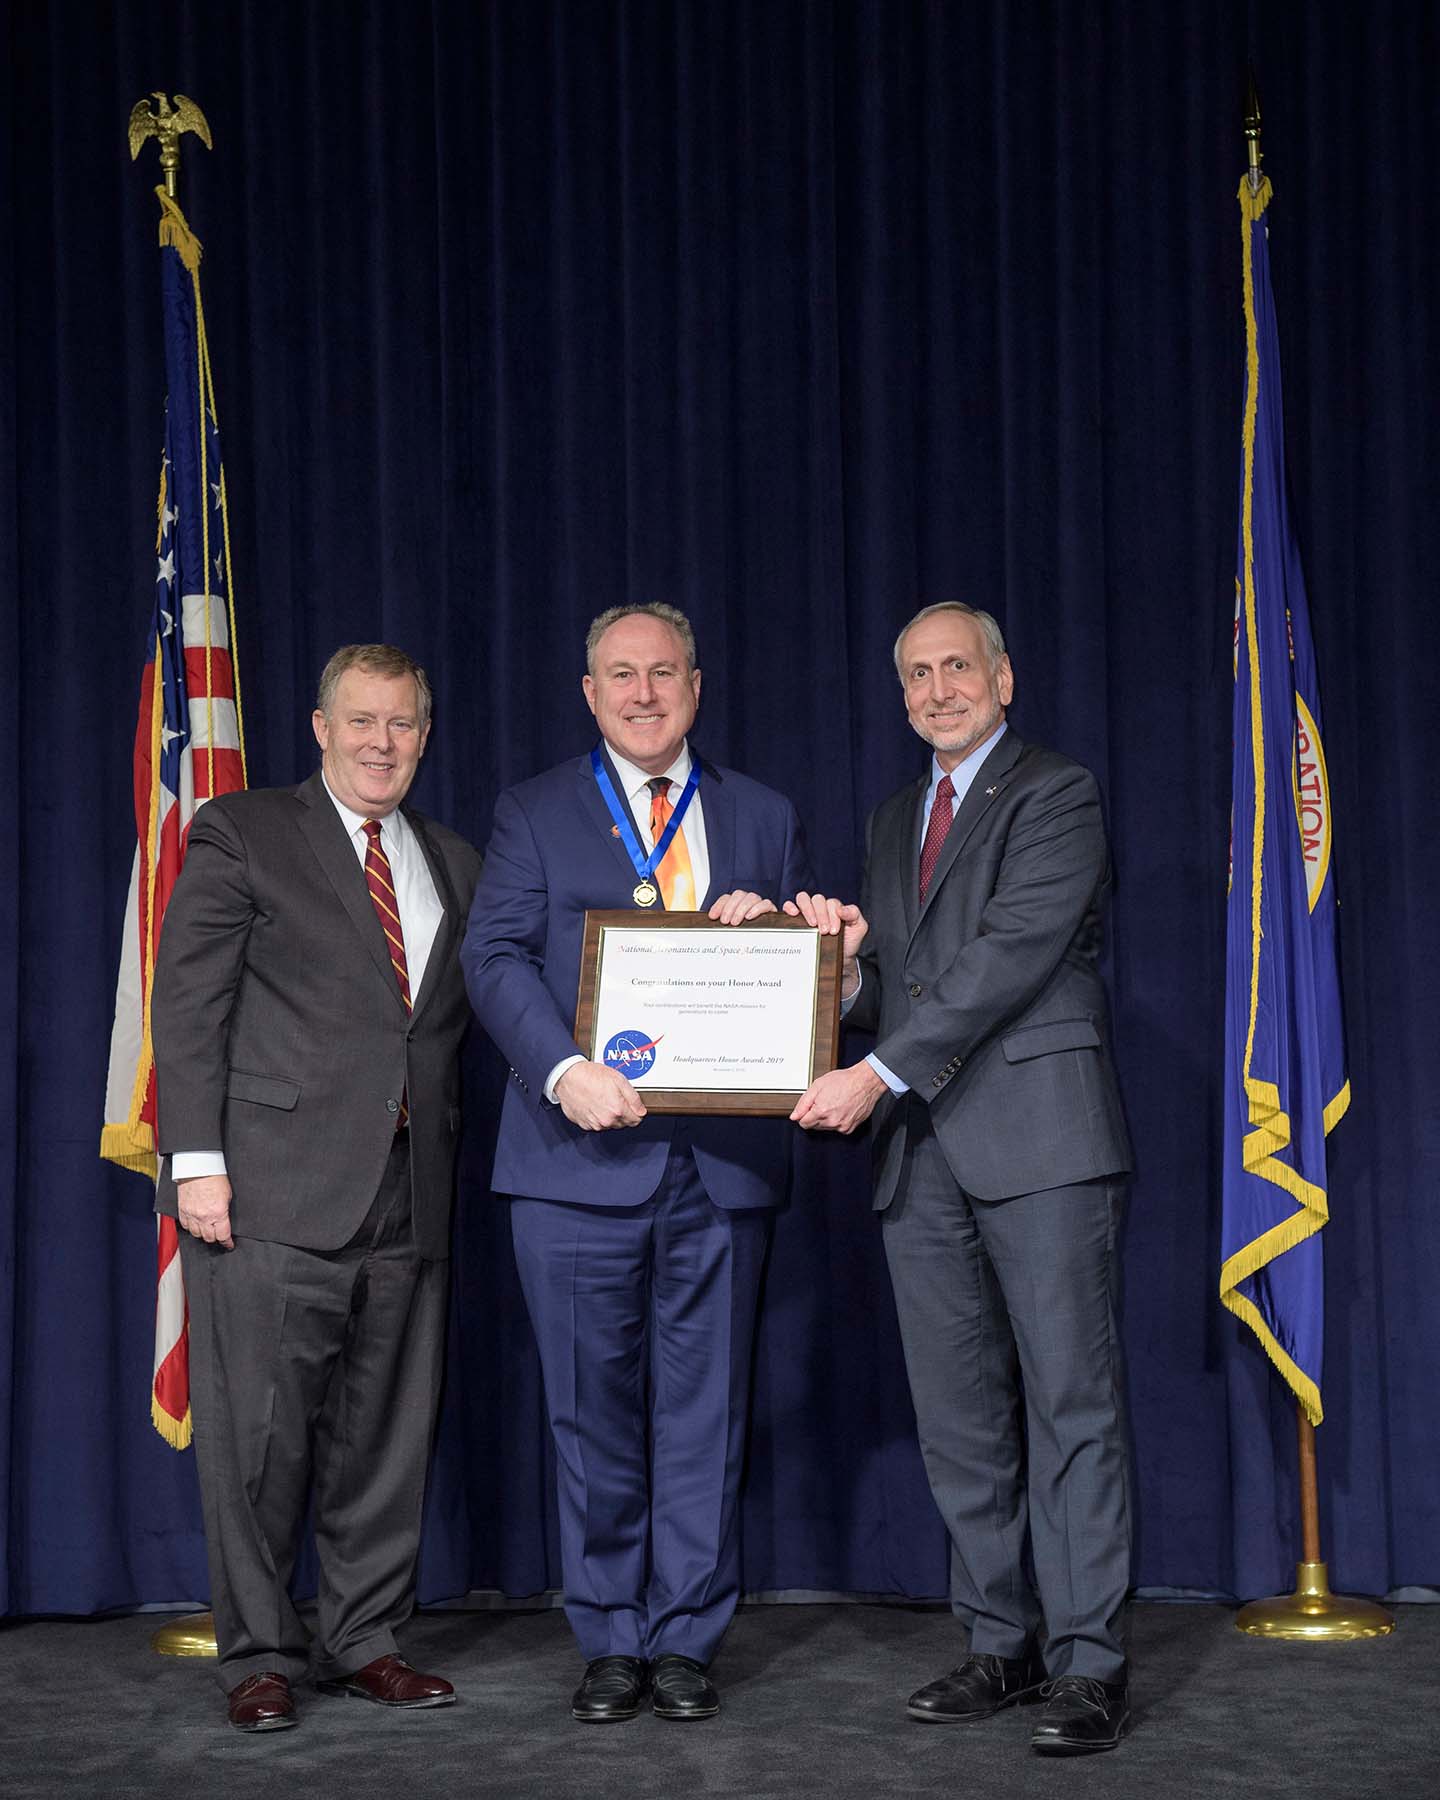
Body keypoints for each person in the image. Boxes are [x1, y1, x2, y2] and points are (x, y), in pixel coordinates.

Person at [788, 602, 1135, 1757]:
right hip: (924, 1159)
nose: (939, 689)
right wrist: (835, 989)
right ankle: (999, 1643)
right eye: (918, 675)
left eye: (957, 668)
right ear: (902, 695)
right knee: (960, 1422)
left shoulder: (1057, 793)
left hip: (1040, 1142)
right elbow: (903, 986)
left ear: (1004, 678)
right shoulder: (897, 818)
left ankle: (1087, 1664)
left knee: (1068, 1407)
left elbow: (1008, 958)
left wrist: (872, 1072)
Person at [461, 603, 813, 1724]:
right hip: (572, 1162)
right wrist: (564, 1069)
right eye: (622, 674)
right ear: (590, 691)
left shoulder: (762, 813)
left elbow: (803, 979)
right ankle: (612, 1636)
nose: (644, 693)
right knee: (589, 1413)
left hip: (721, 1168)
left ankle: (689, 1640)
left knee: (708, 1417)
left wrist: (774, 936)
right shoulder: (535, 810)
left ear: (697, 688)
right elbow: (494, 954)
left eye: (664, 673)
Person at [152, 644, 481, 1732]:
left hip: (410, 1191)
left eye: (403, 724)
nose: (382, 743)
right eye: (363, 722)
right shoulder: (244, 832)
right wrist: (196, 1164)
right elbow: (188, 1008)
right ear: (320, 727)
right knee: (259, 1442)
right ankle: (257, 1655)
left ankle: (365, 1640)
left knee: (385, 1437)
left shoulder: (456, 860)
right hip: (270, 1192)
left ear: (425, 736)